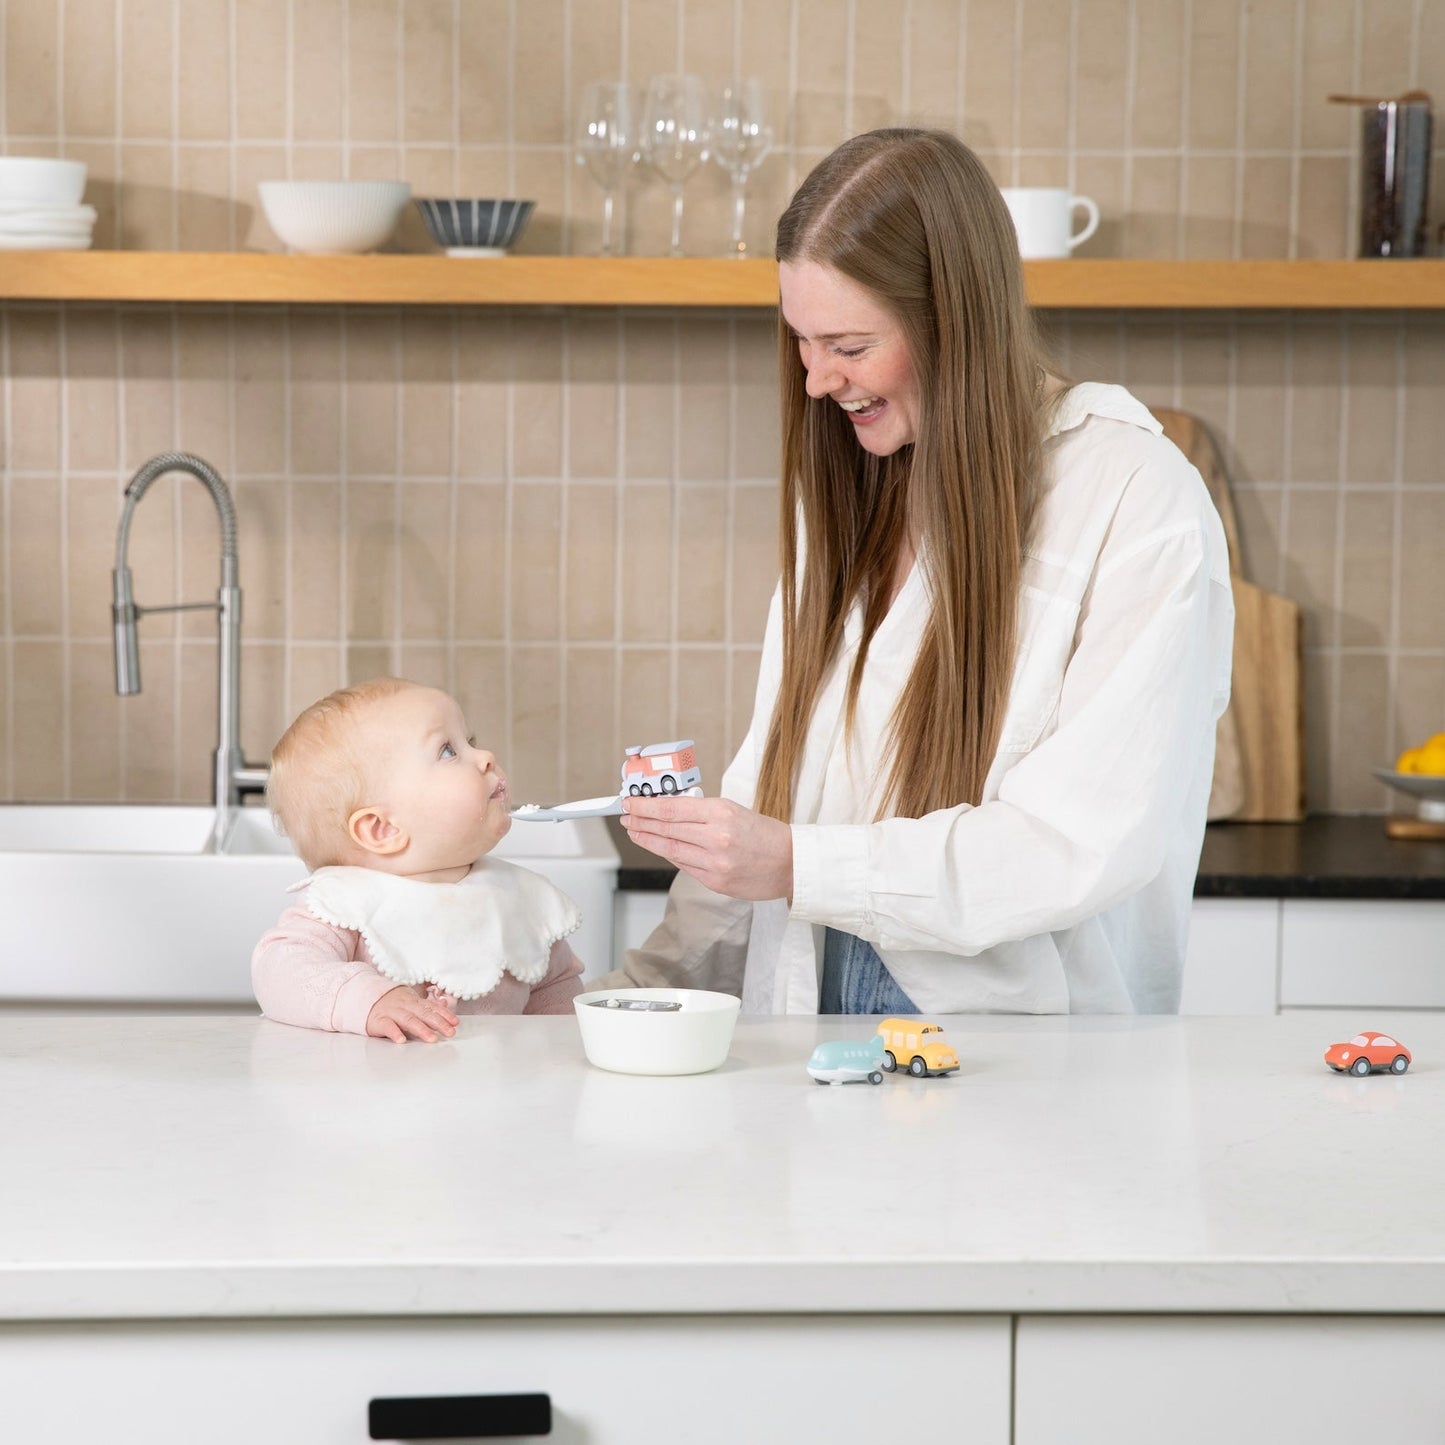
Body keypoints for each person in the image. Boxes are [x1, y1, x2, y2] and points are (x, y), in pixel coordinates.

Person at [610, 127, 1234, 1015]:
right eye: (801, 341)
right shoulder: (853, 490)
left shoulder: (1132, 497)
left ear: (955, 322)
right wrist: (628, 997)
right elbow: (771, 787)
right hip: (818, 1024)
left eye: (848, 346)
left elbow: (1076, 841)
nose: (817, 381)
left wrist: (799, 864)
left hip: (1021, 1062)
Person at [253, 678, 584, 1041]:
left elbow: (556, 994)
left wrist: (562, 1046)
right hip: (368, 1077)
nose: (486, 756)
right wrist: (369, 1000)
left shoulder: (519, 897)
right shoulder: (346, 905)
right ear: (382, 829)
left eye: (470, 742)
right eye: (448, 751)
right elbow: (278, 970)